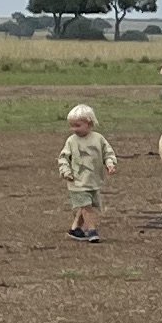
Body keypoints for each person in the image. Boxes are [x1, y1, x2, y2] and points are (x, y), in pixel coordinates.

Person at [55, 100, 112, 244]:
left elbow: (108, 153)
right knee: (86, 207)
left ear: (89, 123)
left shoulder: (98, 139)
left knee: (88, 205)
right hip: (77, 182)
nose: (74, 129)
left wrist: (110, 163)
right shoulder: (71, 141)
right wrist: (66, 171)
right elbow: (63, 158)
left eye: (77, 125)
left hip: (93, 180)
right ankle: (91, 230)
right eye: (72, 126)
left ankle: (75, 229)